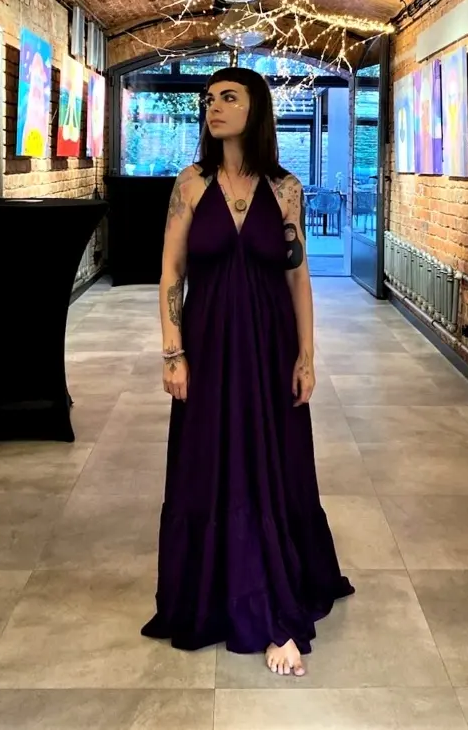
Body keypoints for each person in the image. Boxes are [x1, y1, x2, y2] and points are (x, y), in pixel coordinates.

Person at [141, 67, 353, 677]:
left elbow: (298, 277)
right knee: (211, 461)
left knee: (269, 463)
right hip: (207, 343)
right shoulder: (190, 184)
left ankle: (270, 604)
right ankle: (217, 594)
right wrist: (173, 352)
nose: (213, 107)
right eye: (209, 99)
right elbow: (171, 274)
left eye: (228, 97)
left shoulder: (285, 189)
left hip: (268, 344)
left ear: (255, 108)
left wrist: (306, 355)